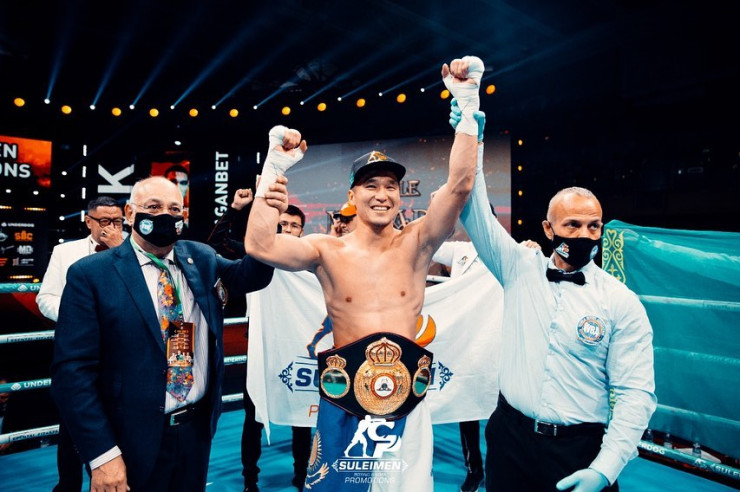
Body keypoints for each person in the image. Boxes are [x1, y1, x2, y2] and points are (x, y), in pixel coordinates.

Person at [244, 55, 483, 491]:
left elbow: (460, 185)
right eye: (371, 185)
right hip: (344, 402)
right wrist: (273, 169)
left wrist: (467, 104)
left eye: (391, 186)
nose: (382, 194)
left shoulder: (417, 243)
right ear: (352, 196)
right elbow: (259, 245)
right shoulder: (325, 249)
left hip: (406, 402)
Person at [456, 103, 657, 490]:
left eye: (593, 226)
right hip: (509, 438)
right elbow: (474, 211)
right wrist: (472, 141)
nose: (584, 234)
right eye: (573, 224)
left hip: (578, 448)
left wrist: (604, 469)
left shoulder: (621, 302)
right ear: (549, 229)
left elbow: (635, 393)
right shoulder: (518, 268)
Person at [49, 176, 274, 491]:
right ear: (130, 213)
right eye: (153, 207)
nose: (165, 216)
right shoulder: (91, 274)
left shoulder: (201, 257)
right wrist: (102, 455)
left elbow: (253, 275)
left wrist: (266, 210)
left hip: (195, 430)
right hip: (127, 437)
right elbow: (72, 373)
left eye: (174, 209)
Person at [207, 191, 312, 491]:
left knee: (302, 415)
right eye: (283, 224)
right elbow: (216, 247)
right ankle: (249, 481)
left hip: (299, 348)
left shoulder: (310, 261)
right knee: (252, 417)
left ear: (301, 231)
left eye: (294, 226)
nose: (288, 230)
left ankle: (302, 477)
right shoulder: (256, 254)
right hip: (261, 347)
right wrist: (234, 209)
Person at [36, 196, 125, 492]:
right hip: (79, 354)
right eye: (105, 221)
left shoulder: (133, 249)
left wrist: (120, 249)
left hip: (121, 357)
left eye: (117, 221)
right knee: (73, 426)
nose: (112, 227)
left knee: (121, 426)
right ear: (88, 221)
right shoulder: (66, 252)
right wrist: (79, 314)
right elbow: (45, 298)